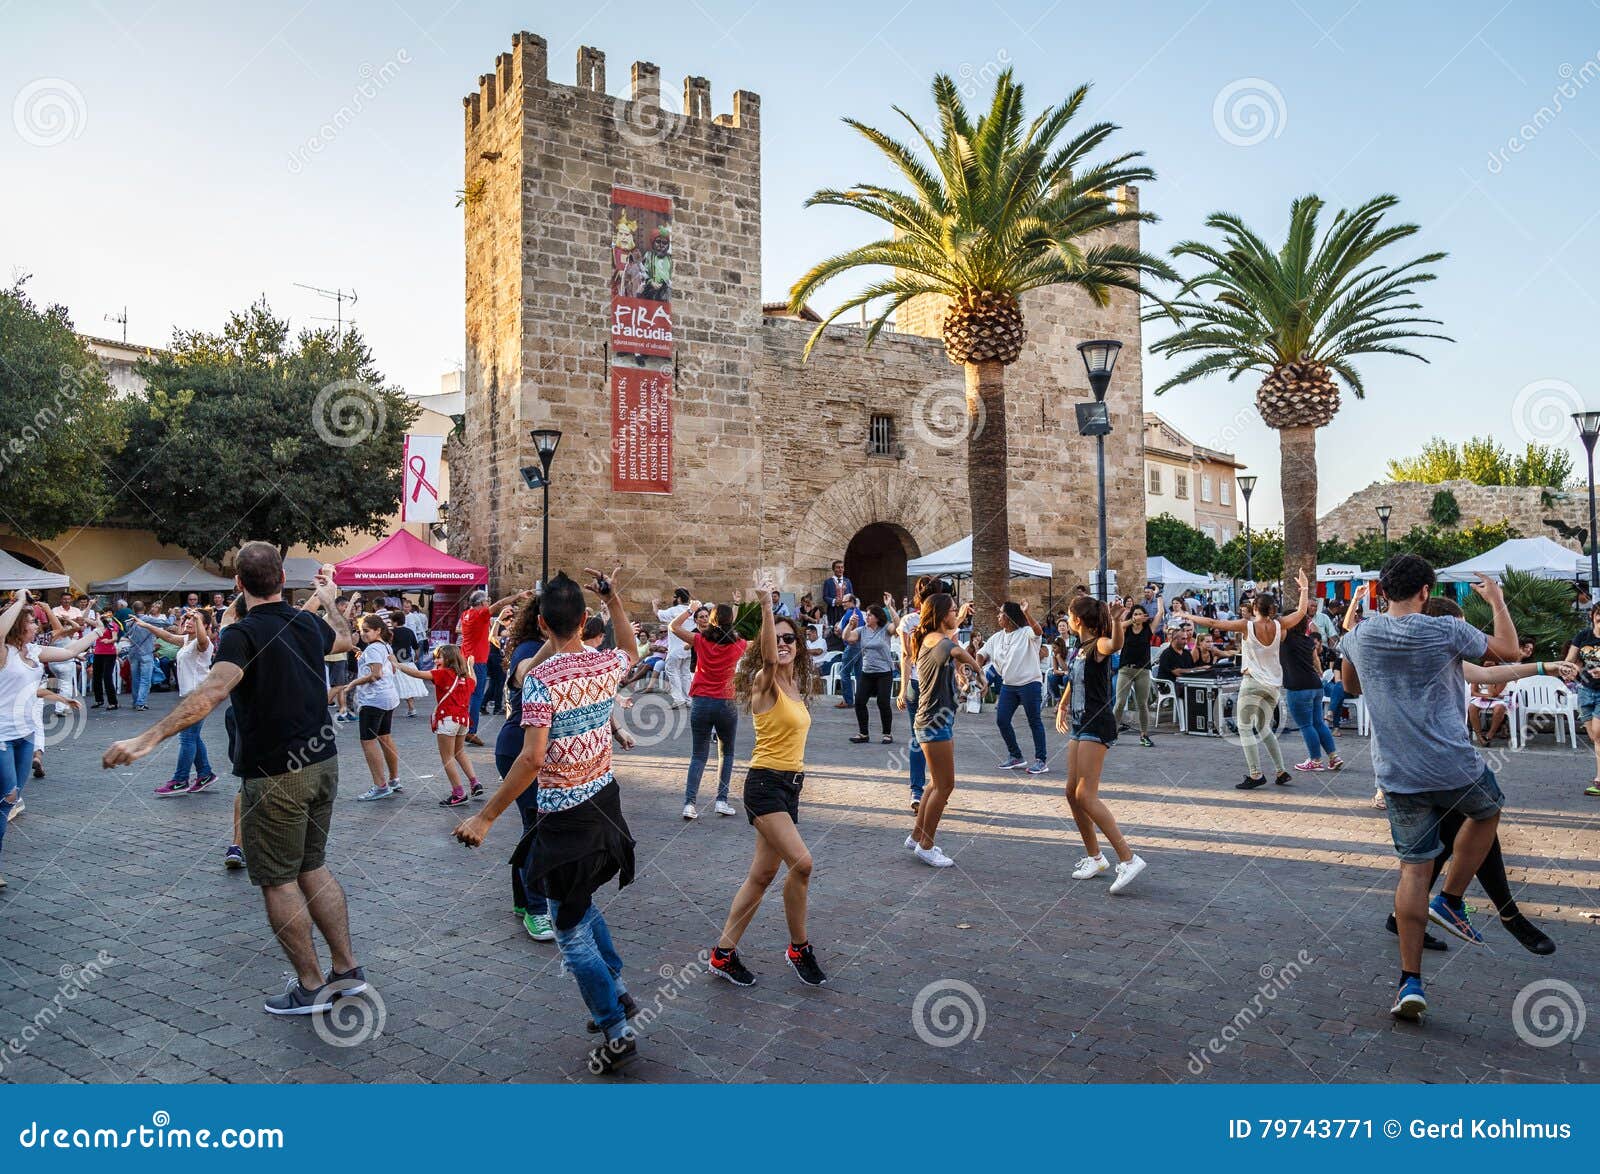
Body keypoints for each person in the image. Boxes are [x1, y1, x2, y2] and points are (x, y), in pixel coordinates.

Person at [105, 548, 365, 1016]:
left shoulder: (242, 634)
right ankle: (346, 970)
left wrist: (150, 736)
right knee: (313, 867)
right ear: (283, 578)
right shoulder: (306, 623)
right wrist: (328, 599)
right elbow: (345, 641)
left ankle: (311, 987)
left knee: (279, 880)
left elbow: (212, 692)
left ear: (239, 584)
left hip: (274, 775)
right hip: (323, 764)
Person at [453, 568, 641, 1074]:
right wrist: (615, 599)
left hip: (565, 818)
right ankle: (619, 992)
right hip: (605, 801)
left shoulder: (541, 680)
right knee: (580, 904)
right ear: (584, 620)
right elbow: (632, 652)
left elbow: (533, 759)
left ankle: (615, 1027)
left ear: (539, 622)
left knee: (568, 929)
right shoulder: (603, 664)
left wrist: (487, 816)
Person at [1339, 555, 1520, 1021]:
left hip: (1397, 774)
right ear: (1425, 592)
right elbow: (1509, 651)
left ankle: (1410, 983)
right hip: (1452, 767)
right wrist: (1497, 600)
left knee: (1412, 871)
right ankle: (1453, 899)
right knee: (1488, 810)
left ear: (1383, 591)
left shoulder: (1359, 635)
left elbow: (1352, 686)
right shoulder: (1445, 631)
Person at [708, 575, 825, 988]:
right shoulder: (764, 680)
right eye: (778, 637)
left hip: (790, 787)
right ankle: (800, 947)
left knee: (761, 877)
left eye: (791, 637)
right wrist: (764, 604)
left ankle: (723, 954)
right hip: (764, 787)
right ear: (765, 644)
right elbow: (772, 659)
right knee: (803, 864)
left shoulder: (795, 685)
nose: (786, 643)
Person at [0, 593, 98, 880]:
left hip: (25, 735)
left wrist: (98, 633)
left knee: (11, 799)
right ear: (19, 625)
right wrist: (19, 600)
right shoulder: (2, 650)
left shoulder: (32, 651)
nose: (36, 625)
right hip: (1, 734)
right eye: (31, 621)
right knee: (7, 795)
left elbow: (68, 652)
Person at [1056, 595, 1146, 894]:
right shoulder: (1079, 649)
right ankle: (1095, 856)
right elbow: (1073, 678)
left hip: (1097, 723)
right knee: (1071, 792)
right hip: (1081, 722)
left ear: (1078, 620)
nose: (1067, 618)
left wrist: (1117, 623)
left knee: (1085, 794)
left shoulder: (1099, 646)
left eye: (1069, 614)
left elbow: (1115, 644)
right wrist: (1063, 703)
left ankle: (1128, 858)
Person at [1190, 569, 1309, 790]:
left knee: (1245, 727)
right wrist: (1304, 588)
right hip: (1273, 685)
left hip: (1253, 682)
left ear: (1255, 609)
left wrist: (1189, 617)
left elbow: (1212, 622)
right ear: (1272, 609)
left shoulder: (1247, 626)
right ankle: (1281, 771)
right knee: (1263, 727)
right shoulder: (1279, 625)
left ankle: (1255, 774)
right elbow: (1302, 611)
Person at [906, 594, 982, 868]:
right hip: (934, 722)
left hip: (935, 720)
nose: (956, 614)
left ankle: (917, 836)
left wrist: (964, 670)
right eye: (952, 611)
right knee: (945, 785)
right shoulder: (939, 641)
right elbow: (956, 650)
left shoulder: (930, 638)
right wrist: (978, 670)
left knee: (935, 783)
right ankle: (927, 846)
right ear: (941, 615)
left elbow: (951, 649)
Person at [670, 601, 749, 819]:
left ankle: (689, 804)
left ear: (712, 620)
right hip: (726, 702)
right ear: (731, 621)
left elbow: (673, 628)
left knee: (698, 755)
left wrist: (691, 609)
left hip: (702, 701)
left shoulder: (700, 640)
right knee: (727, 753)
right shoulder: (738, 644)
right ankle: (721, 800)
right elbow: (761, 642)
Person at [128, 610, 218, 796]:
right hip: (191, 696)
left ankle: (180, 780)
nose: (189, 622)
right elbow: (168, 636)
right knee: (193, 737)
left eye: (195, 620)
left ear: (205, 625)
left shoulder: (204, 643)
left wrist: (198, 621)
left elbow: (202, 638)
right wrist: (146, 625)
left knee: (186, 738)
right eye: (187, 619)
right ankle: (205, 774)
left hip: (198, 697)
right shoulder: (186, 641)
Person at [398, 644, 478, 809]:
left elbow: (418, 674)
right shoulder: (466, 679)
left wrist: (397, 665)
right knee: (459, 752)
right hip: (463, 721)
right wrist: (470, 666)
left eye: (438, 657)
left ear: (448, 659)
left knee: (447, 757)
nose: (435, 660)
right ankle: (475, 782)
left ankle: (458, 793)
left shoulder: (443, 674)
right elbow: (475, 681)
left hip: (448, 719)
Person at [341, 615, 403, 802]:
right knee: (385, 737)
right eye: (362, 630)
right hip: (388, 697)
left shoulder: (375, 648)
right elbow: (389, 668)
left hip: (374, 699)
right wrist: (362, 655)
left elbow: (375, 674)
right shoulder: (384, 646)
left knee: (368, 741)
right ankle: (393, 779)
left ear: (377, 630)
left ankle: (380, 785)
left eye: (366, 630)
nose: (363, 634)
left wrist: (352, 684)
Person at [981, 600, 1048, 772]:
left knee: (1034, 721)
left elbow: (1038, 631)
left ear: (1009, 617)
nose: (998, 616)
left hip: (1029, 684)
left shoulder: (1026, 632)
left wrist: (1026, 613)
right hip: (1009, 686)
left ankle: (1041, 760)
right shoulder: (997, 637)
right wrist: (977, 671)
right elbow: (982, 654)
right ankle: (1016, 756)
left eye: (1001, 613)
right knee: (1002, 720)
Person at [458, 587, 528, 746]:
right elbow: (499, 604)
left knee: (467, 695)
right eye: (487, 601)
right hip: (478, 661)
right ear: (482, 603)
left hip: (466, 658)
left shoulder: (466, 615)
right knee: (476, 695)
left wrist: (498, 618)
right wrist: (518, 595)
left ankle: (463, 727)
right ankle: (471, 730)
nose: (488, 603)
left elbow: (487, 621)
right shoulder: (479, 614)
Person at [1281, 609, 1342, 773]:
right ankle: (1334, 757)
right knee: (1318, 723)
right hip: (1315, 686)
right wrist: (1320, 672)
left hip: (1298, 687)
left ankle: (1315, 760)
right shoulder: (1308, 641)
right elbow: (1315, 659)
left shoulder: (1285, 638)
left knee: (1306, 725)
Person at [895, 576, 937, 814]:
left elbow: (905, 657)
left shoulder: (909, 621)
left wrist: (901, 690)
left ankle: (917, 791)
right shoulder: (942, 621)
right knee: (938, 738)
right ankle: (937, 787)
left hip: (915, 684)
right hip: (935, 687)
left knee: (916, 738)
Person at [843, 595, 899, 745]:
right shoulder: (862, 630)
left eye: (869, 615)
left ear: (877, 617)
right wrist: (850, 625)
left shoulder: (885, 628)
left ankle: (887, 734)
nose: (866, 617)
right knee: (860, 701)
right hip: (867, 671)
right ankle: (863, 733)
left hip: (884, 672)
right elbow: (847, 637)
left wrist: (889, 607)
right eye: (866, 615)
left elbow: (898, 626)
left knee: (883, 702)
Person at [1563, 602, 1600, 798]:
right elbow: (1570, 659)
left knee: (1599, 733)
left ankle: (1599, 780)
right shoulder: (1583, 636)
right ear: (1593, 616)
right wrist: (1570, 669)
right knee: (1595, 738)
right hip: (1585, 690)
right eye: (1598, 614)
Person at [1112, 602, 1156, 747]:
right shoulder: (1126, 629)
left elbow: (1160, 613)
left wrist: (1160, 598)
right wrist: (1132, 620)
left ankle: (1144, 735)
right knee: (1120, 702)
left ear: (1144, 616)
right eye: (1135, 614)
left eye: (1139, 614)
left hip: (1142, 671)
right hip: (1125, 670)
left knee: (1142, 704)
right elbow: (1117, 625)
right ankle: (1112, 733)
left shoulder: (1148, 629)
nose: (1137, 617)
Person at [656, 587, 694, 708]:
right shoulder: (692, 611)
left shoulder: (674, 611)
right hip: (688, 648)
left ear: (678, 598)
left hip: (675, 650)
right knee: (685, 674)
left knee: (673, 673)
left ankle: (678, 699)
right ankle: (688, 699)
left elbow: (658, 615)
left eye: (674, 596)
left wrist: (654, 604)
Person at [833, 594, 865, 709]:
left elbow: (856, 629)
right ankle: (860, 699)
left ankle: (848, 700)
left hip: (852, 646)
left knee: (844, 672)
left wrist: (840, 632)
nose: (843, 604)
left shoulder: (853, 613)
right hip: (858, 646)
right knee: (858, 674)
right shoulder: (856, 612)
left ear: (851, 601)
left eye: (845, 601)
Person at [89, 607, 123, 710]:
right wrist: (97, 615)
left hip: (109, 653)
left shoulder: (113, 625)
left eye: (109, 613)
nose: (107, 614)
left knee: (107, 676)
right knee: (96, 677)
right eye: (105, 613)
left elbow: (115, 637)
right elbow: (85, 619)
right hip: (98, 653)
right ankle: (99, 699)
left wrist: (108, 641)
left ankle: (113, 702)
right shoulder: (99, 624)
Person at [822, 560, 853, 626]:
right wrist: (834, 601)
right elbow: (825, 596)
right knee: (834, 627)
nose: (840, 569)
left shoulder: (848, 581)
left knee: (846, 626)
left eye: (842, 567)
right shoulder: (828, 582)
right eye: (838, 567)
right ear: (833, 569)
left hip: (846, 610)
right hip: (833, 610)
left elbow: (851, 595)